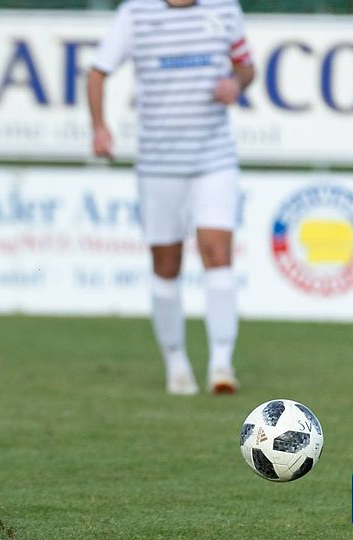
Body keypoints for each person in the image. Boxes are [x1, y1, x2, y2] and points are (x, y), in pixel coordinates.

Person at [86, 0, 255, 395]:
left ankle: (221, 364)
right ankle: (176, 363)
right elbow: (97, 73)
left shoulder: (224, 9)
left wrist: (237, 83)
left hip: (214, 158)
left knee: (218, 252)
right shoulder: (136, 13)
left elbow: (246, 66)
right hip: (159, 163)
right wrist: (99, 127)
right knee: (166, 262)